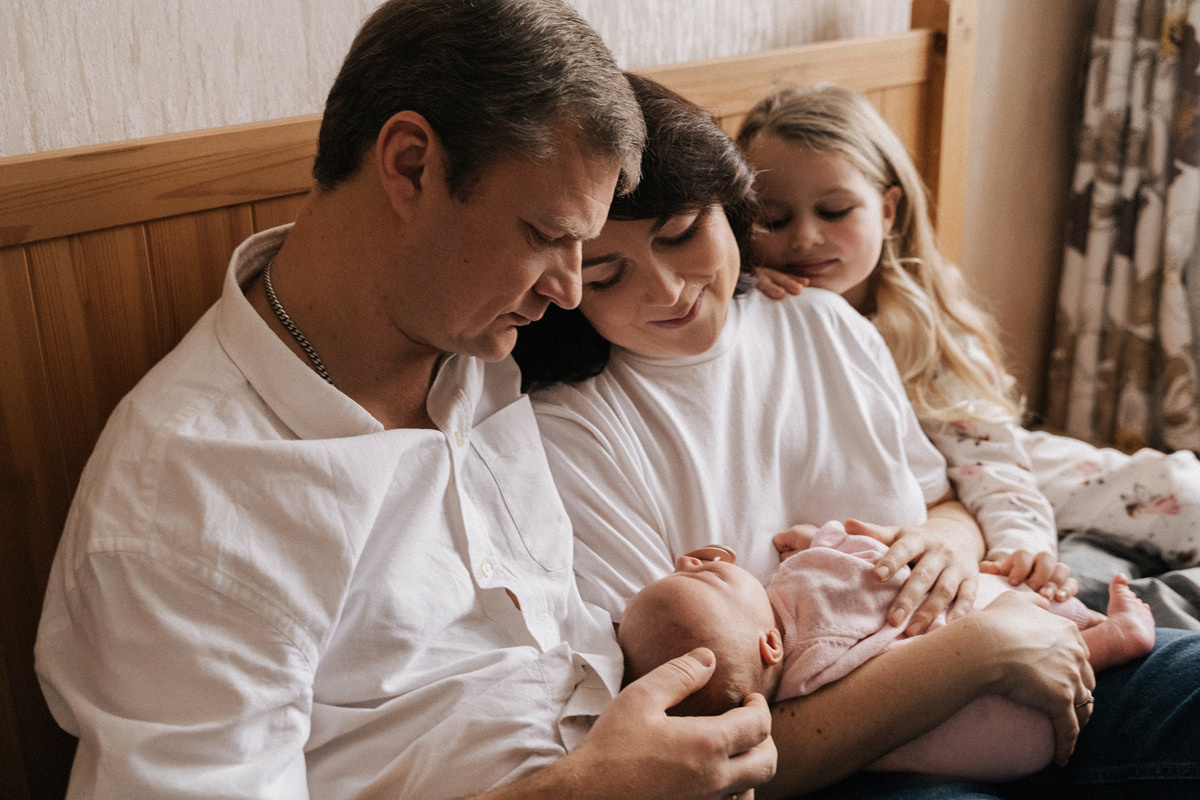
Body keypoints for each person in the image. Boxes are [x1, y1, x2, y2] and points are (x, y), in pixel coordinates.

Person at [33, 3, 778, 799]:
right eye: (545, 236)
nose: (568, 290)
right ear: (412, 165)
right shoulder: (189, 500)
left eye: (582, 251)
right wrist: (585, 790)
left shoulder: (478, 338)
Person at [514, 71, 1200, 798]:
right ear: (564, 284)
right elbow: (698, 750)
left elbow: (943, 500)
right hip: (847, 758)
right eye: (608, 275)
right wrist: (980, 652)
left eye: (682, 235)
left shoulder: (824, 321)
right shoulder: (571, 434)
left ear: (730, 207)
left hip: (1022, 648)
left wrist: (950, 545)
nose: (667, 289)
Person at [734, 83, 1200, 612]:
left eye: (835, 210)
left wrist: (1021, 547)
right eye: (773, 220)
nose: (804, 238)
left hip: (998, 463)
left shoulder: (918, 323)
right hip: (961, 486)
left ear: (888, 210)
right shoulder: (752, 316)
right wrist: (741, 286)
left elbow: (993, 463)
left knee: (1177, 491)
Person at [619, 528, 1156, 783]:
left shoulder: (794, 688)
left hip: (1005, 750)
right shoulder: (805, 585)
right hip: (1025, 690)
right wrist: (820, 538)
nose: (690, 563)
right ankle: (1112, 639)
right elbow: (869, 559)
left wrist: (955, 541)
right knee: (1002, 612)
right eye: (707, 578)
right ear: (770, 644)